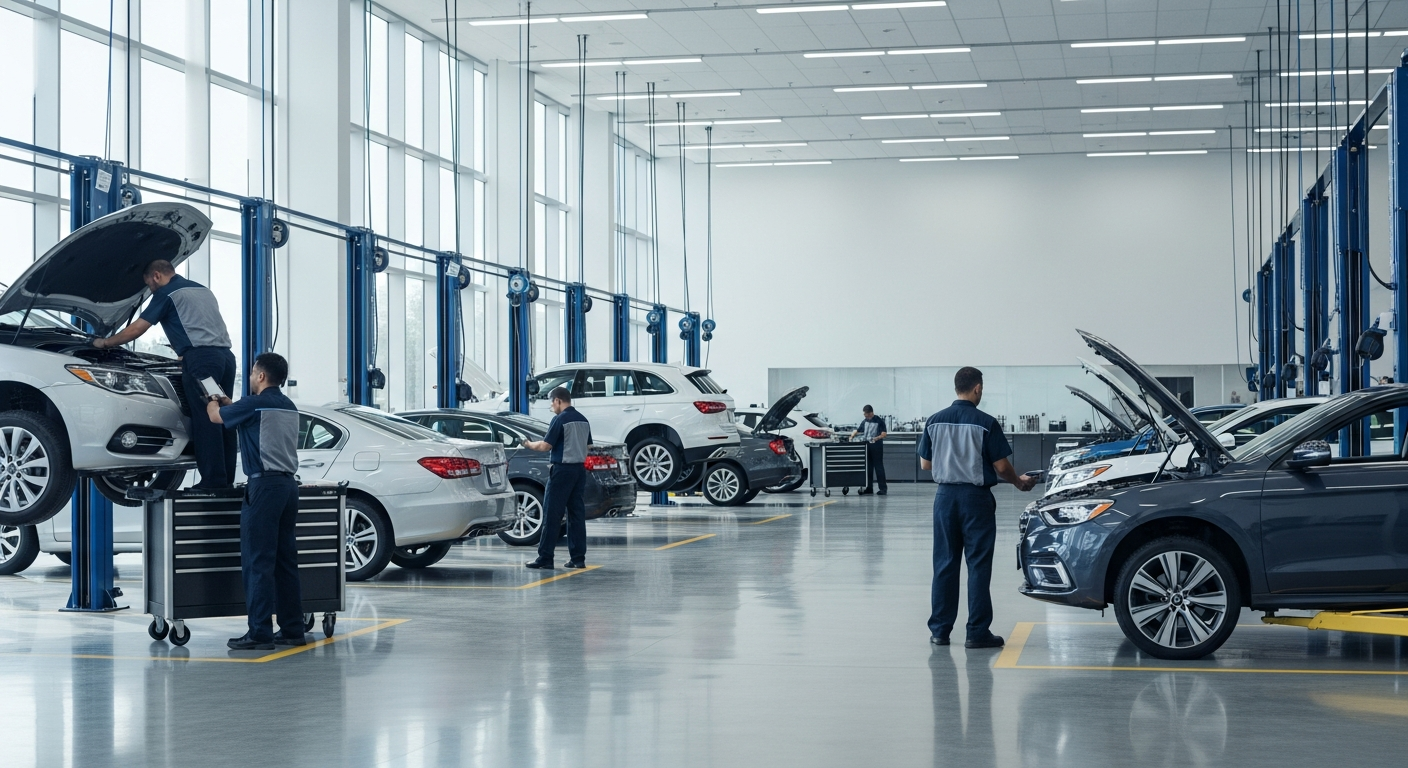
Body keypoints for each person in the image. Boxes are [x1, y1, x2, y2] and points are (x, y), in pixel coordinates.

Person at [917, 367, 1038, 650]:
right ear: (978, 389)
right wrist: (1019, 483)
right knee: (978, 565)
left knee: (945, 564)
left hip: (944, 499)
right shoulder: (985, 423)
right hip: (975, 500)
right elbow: (1002, 467)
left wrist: (951, 462)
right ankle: (977, 632)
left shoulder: (934, 421)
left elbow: (925, 464)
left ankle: (940, 630)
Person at [94, 260, 238, 489]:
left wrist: (106, 342)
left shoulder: (167, 293)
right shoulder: (203, 290)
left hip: (202, 362)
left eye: (148, 284)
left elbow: (138, 328)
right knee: (224, 416)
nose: (150, 289)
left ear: (157, 276)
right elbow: (199, 325)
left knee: (206, 418)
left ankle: (212, 481)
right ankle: (225, 480)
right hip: (226, 359)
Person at [207, 353, 304, 651]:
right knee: (285, 562)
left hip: (263, 487)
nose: (250, 377)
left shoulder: (253, 404)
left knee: (258, 561)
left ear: (261, 376)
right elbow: (249, 418)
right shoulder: (288, 405)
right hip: (288, 487)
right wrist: (232, 405)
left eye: (252, 373)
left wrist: (212, 399)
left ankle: (259, 632)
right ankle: (292, 629)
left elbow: (215, 418)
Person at [521, 386, 591, 570]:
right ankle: (578, 558)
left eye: (552, 402)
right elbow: (588, 446)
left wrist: (528, 444)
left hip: (561, 471)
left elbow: (545, 446)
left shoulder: (559, 419)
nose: (551, 406)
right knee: (576, 515)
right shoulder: (583, 420)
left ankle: (545, 557)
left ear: (559, 400)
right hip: (579, 471)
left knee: (552, 514)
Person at [850, 405, 888, 495]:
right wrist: (852, 435)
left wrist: (876, 438)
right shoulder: (865, 421)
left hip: (876, 447)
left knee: (878, 467)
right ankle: (869, 487)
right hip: (867, 446)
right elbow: (859, 430)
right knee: (868, 467)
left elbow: (884, 434)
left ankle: (883, 488)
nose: (865, 416)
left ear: (871, 413)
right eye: (864, 415)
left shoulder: (879, 421)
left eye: (866, 415)